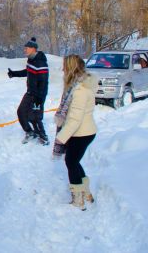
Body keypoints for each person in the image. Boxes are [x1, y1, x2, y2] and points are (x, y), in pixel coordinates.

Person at [52, 54, 98, 210]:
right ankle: (86, 192)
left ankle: (78, 199)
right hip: (83, 131)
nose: (62, 69)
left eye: (65, 66)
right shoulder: (76, 86)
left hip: (82, 132)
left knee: (70, 162)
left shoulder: (79, 90)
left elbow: (75, 119)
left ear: (71, 68)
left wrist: (61, 138)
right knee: (74, 161)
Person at [7, 37, 49, 145]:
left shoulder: (41, 63)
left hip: (38, 95)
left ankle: (43, 137)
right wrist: (14, 74)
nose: (24, 50)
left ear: (33, 49)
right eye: (24, 48)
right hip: (30, 92)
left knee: (35, 117)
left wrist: (39, 99)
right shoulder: (31, 60)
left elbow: (43, 83)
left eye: (27, 48)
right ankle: (30, 132)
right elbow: (28, 72)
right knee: (21, 112)